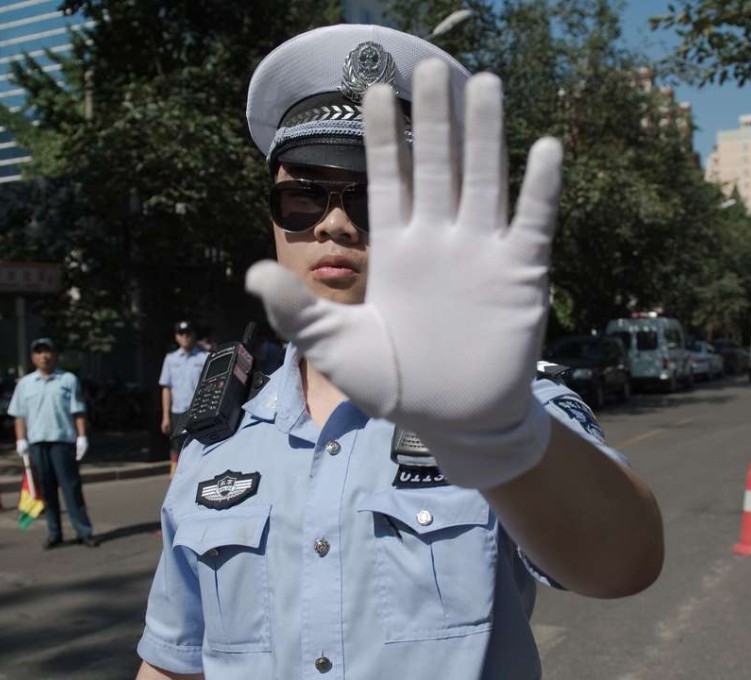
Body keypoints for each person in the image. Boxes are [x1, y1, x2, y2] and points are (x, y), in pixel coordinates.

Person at [136, 24, 664, 680]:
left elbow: (624, 563)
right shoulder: (220, 434)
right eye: (303, 196)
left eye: (372, 196)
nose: (333, 222)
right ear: (273, 217)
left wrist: (496, 431)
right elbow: (172, 660)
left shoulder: (500, 403)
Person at [7, 338, 97, 549]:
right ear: (33, 357)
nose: (44, 356)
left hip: (63, 442)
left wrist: (81, 436)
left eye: (48, 351)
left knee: (71, 489)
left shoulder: (68, 380)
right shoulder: (25, 384)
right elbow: (19, 416)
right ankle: (54, 532)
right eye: (39, 352)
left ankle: (84, 531)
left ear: (55, 355)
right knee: (46, 491)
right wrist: (20, 439)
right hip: (37, 444)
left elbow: (78, 411)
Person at [158, 320, 209, 475]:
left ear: (193, 335)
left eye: (188, 333)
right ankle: (176, 478)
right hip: (178, 411)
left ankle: (199, 475)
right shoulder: (170, 359)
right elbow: (166, 388)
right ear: (176, 337)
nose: (185, 337)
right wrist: (165, 416)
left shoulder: (204, 357)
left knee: (200, 445)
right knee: (177, 447)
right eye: (181, 334)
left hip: (198, 410)